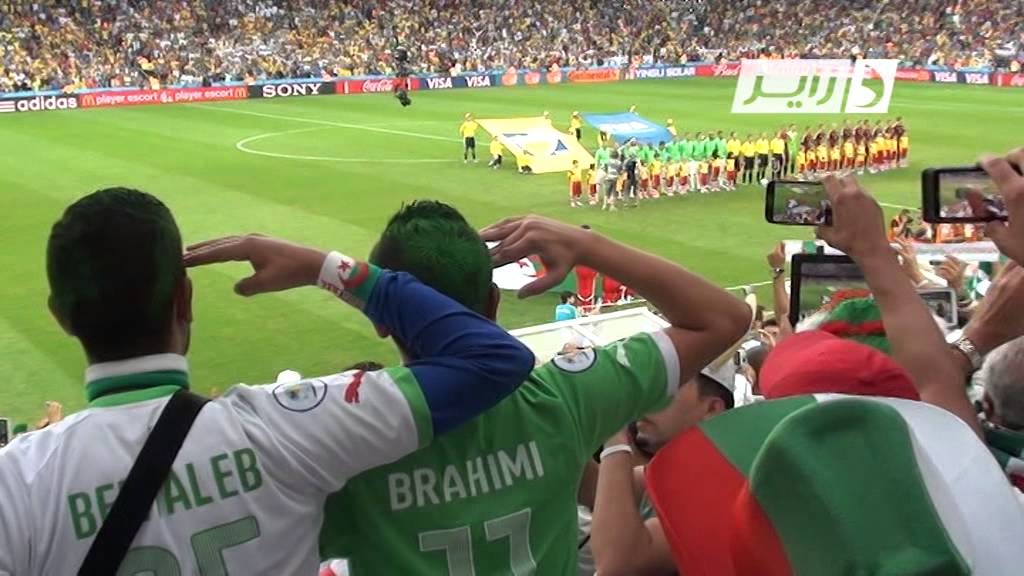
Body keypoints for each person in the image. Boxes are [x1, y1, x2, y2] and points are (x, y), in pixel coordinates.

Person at [0, 188, 534, 574]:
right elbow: (494, 359)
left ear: (60, 317)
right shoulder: (287, 426)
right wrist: (323, 267)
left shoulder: (14, 483)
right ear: (185, 298)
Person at [318, 202, 752, 575]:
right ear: (493, 302)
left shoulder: (336, 440)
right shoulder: (564, 396)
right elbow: (724, 317)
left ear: (378, 319)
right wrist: (586, 245)